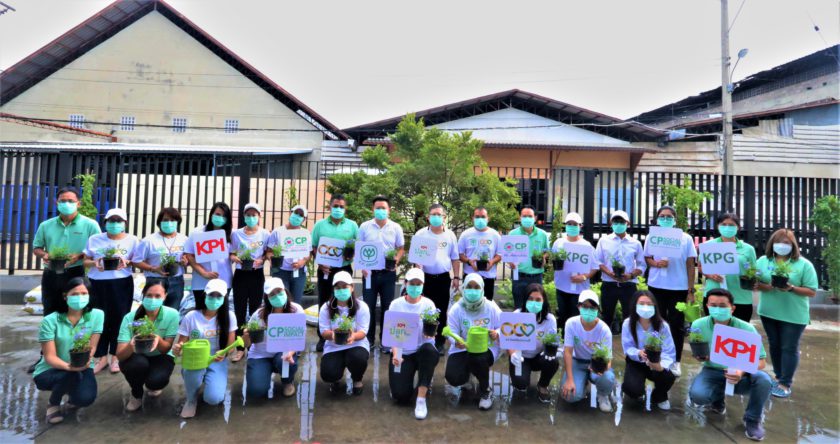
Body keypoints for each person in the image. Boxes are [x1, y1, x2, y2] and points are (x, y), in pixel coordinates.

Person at [29, 186, 100, 374]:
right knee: (50, 312)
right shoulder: (46, 225)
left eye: (70, 201)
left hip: (75, 275)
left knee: (76, 313)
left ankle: (77, 355)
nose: (66, 204)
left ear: (79, 203)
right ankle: (46, 357)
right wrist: (44, 254)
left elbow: (97, 249)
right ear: (56, 202)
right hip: (51, 274)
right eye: (62, 201)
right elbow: (36, 247)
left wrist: (79, 256)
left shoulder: (90, 225)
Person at [688, 288, 772, 441]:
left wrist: (741, 371)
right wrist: (700, 357)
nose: (717, 309)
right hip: (712, 370)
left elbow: (761, 362)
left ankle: (752, 420)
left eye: (722, 306)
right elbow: (697, 353)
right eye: (713, 305)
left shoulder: (747, 328)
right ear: (707, 306)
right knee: (698, 396)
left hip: (742, 374)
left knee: (764, 380)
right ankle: (717, 400)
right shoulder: (698, 325)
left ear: (732, 308)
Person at [755, 229, 818, 399]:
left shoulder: (803, 264)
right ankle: (778, 377)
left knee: (789, 347)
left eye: (786, 243)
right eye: (778, 242)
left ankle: (785, 383)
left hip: (793, 315)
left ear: (793, 245)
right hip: (768, 312)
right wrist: (763, 286)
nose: (782, 246)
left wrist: (791, 288)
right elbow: (756, 282)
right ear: (772, 244)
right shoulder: (763, 261)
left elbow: (812, 291)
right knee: (774, 345)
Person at [33, 277, 103, 424]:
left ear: (90, 296)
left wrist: (86, 359)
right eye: (74, 294)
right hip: (50, 370)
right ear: (65, 296)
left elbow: (92, 346)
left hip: (83, 366)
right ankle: (53, 403)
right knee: (72, 375)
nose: (80, 298)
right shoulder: (50, 320)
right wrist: (71, 367)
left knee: (85, 398)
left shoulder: (97, 315)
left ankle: (72, 397)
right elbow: (49, 357)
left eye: (84, 293)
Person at [83, 207, 139, 374]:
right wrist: (95, 263)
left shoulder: (132, 240)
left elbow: (137, 261)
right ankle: (100, 357)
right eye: (111, 221)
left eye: (118, 221)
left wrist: (127, 262)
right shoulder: (95, 239)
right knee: (99, 319)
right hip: (97, 283)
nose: (114, 224)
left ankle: (115, 356)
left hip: (121, 283)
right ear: (105, 222)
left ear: (124, 223)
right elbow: (85, 260)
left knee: (119, 319)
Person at [643, 205, 697, 377]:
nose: (665, 219)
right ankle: (657, 357)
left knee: (676, 325)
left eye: (669, 217)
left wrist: (690, 290)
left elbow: (690, 265)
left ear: (674, 220)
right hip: (656, 286)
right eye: (662, 216)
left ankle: (676, 361)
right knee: (657, 323)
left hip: (678, 288)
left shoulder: (685, 238)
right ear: (657, 219)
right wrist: (656, 264)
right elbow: (647, 257)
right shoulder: (652, 237)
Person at [173, 279, 237, 419]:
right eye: (211, 295)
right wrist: (178, 349)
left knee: (213, 399)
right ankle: (191, 399)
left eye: (219, 296)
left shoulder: (229, 316)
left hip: (216, 360)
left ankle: (210, 381)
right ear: (205, 295)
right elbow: (182, 343)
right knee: (192, 373)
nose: (214, 299)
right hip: (194, 359)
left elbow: (231, 346)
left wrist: (225, 353)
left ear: (224, 298)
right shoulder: (191, 316)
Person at [115, 280, 179, 411]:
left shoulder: (172, 314)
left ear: (165, 296)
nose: (152, 299)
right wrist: (131, 345)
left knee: (156, 381)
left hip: (160, 355)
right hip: (137, 356)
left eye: (157, 296)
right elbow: (120, 355)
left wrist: (158, 339)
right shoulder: (130, 318)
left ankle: (152, 384)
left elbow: (166, 348)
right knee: (137, 365)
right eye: (149, 295)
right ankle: (136, 393)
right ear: (143, 295)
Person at [444, 273, 502, 411]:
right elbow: (451, 331)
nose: (473, 290)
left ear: (482, 289)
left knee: (479, 359)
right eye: (469, 287)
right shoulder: (457, 309)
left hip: (486, 348)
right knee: (453, 377)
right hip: (463, 348)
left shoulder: (491, 307)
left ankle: (486, 391)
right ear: (464, 288)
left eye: (477, 287)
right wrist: (456, 341)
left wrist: (497, 333)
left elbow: (504, 326)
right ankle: (467, 376)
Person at [387, 268, 440, 419]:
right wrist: (396, 354)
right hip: (403, 352)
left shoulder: (428, 304)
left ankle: (421, 398)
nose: (415, 287)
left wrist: (430, 334)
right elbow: (393, 334)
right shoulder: (396, 305)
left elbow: (431, 333)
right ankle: (414, 380)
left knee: (429, 351)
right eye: (412, 283)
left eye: (418, 284)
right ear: (405, 284)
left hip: (423, 350)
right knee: (401, 396)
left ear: (423, 285)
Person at [358, 195, 405, 353]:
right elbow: (359, 247)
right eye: (377, 208)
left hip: (388, 274)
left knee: (387, 307)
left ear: (389, 210)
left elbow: (401, 248)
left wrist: (396, 260)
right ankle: (369, 339)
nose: (380, 210)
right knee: (368, 306)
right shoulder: (365, 227)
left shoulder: (395, 227)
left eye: (383, 208)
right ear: (372, 209)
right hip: (369, 274)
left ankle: (386, 341)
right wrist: (362, 266)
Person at [244, 277, 305, 399]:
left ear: (285, 291)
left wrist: (291, 352)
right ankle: (262, 371)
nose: (277, 296)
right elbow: (246, 344)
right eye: (272, 294)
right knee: (256, 391)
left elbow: (299, 337)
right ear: (267, 297)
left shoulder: (296, 310)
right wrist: (247, 336)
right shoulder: (258, 315)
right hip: (261, 354)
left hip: (283, 353)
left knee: (284, 361)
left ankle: (288, 381)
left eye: (279, 291)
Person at [311, 194, 358, 352]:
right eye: (335, 206)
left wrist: (351, 254)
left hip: (344, 269)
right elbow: (314, 246)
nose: (338, 209)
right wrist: (320, 261)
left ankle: (347, 333)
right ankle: (323, 337)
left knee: (346, 301)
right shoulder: (320, 225)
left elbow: (358, 245)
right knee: (324, 301)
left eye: (341, 206)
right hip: (326, 269)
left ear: (345, 208)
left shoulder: (352, 225)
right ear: (330, 207)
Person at [412, 203, 460, 353]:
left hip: (443, 278)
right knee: (425, 309)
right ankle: (424, 340)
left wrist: (456, 277)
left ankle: (439, 342)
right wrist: (418, 270)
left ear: (444, 217)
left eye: (439, 214)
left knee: (442, 310)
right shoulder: (421, 234)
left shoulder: (450, 235)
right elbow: (416, 258)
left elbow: (455, 258)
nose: (436, 217)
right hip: (425, 278)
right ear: (428, 217)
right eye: (433, 214)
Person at [560, 290, 616, 413]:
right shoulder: (571, 323)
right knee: (570, 395)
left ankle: (603, 394)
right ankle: (582, 383)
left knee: (607, 378)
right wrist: (570, 379)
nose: (588, 310)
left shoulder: (604, 330)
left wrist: (602, 370)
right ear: (578, 307)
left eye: (592, 307)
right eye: (584, 306)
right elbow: (568, 352)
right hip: (577, 360)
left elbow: (608, 359)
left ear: (598, 309)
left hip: (597, 362)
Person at [620, 290, 677, 410]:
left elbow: (669, 351)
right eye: (641, 303)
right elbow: (627, 347)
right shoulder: (628, 323)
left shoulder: (662, 325)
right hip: (637, 362)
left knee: (668, 377)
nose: (645, 307)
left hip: (657, 362)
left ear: (655, 306)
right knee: (633, 389)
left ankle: (659, 396)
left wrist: (660, 366)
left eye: (649, 304)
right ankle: (634, 389)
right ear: (635, 305)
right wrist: (638, 353)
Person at [318, 271, 371, 395]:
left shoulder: (362, 307)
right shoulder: (326, 308)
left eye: (344, 287)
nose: (341, 290)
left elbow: (363, 331)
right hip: (333, 346)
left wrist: (353, 336)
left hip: (356, 344)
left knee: (358, 358)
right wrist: (332, 335)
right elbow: (323, 331)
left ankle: (357, 379)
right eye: (338, 288)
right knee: (328, 373)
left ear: (352, 287)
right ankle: (335, 378)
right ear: (333, 289)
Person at [229, 202, 270, 362]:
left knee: (255, 311)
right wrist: (234, 258)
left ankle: (253, 346)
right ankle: (240, 348)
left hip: (256, 274)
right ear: (244, 216)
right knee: (239, 311)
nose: (251, 218)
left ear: (259, 216)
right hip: (240, 274)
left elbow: (268, 252)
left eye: (254, 215)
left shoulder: (265, 234)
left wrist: (263, 259)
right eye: (248, 215)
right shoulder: (236, 234)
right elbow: (231, 252)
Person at [594, 210, 645, 334]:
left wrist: (630, 275)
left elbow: (642, 264)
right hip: (609, 284)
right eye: (616, 221)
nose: (618, 224)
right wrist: (609, 273)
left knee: (630, 317)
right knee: (607, 317)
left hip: (629, 285)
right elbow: (597, 261)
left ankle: (629, 342)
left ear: (628, 223)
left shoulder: (636, 243)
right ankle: (604, 342)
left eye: (622, 222)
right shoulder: (603, 241)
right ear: (611, 223)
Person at [507, 283, 559, 403]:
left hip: (538, 357)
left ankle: (543, 385)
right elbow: (508, 340)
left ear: (544, 301)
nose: (534, 302)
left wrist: (552, 351)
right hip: (520, 357)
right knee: (520, 384)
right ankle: (521, 375)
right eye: (530, 299)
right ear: (525, 300)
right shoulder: (516, 315)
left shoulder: (549, 319)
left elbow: (551, 342)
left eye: (538, 299)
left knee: (552, 360)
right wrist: (512, 354)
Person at [701, 212, 757, 322]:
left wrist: (753, 280)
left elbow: (753, 271)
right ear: (718, 226)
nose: (727, 227)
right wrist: (710, 275)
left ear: (738, 227)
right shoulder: (708, 245)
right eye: (724, 224)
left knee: (738, 331)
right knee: (716, 330)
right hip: (715, 297)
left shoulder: (748, 249)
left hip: (741, 298)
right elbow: (701, 267)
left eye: (731, 225)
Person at [132, 207, 189, 311]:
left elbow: (188, 259)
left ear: (178, 222)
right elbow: (136, 261)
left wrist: (185, 262)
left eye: (172, 220)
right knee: (152, 311)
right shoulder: (149, 241)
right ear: (159, 222)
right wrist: (153, 268)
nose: (169, 223)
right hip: (155, 280)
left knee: (172, 312)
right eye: (165, 220)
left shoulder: (184, 239)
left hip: (177, 281)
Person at [551, 212, 599, 327]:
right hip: (561, 288)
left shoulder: (586, 246)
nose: (572, 226)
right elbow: (553, 261)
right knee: (563, 317)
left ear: (580, 226)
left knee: (576, 320)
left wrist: (584, 277)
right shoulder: (558, 243)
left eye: (575, 224)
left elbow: (595, 267)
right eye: (569, 224)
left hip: (579, 291)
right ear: (565, 225)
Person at [184, 202, 233, 311]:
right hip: (201, 282)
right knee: (201, 313)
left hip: (224, 281)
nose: (220, 218)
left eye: (224, 216)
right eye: (218, 214)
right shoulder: (197, 232)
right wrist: (203, 273)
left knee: (221, 314)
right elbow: (189, 255)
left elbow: (235, 253)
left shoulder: (231, 234)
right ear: (211, 214)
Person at [267, 205, 311, 305]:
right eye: (295, 213)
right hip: (280, 272)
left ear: (304, 219)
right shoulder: (277, 232)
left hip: (299, 273)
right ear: (290, 213)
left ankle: (294, 316)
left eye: (301, 215)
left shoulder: (306, 233)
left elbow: (308, 253)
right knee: (281, 302)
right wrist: (271, 259)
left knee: (295, 303)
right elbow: (269, 251)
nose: (297, 217)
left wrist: (303, 261)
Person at [507, 206, 549, 309]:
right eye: (524, 216)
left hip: (536, 276)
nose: (527, 218)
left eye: (530, 216)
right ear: (520, 217)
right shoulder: (512, 234)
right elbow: (507, 253)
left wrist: (544, 257)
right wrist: (510, 261)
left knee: (535, 308)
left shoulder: (542, 234)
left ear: (535, 218)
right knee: (519, 306)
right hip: (518, 276)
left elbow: (547, 250)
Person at [458, 206, 502, 300]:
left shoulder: (495, 235)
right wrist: (469, 262)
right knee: (469, 304)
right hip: (470, 277)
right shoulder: (466, 234)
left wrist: (492, 262)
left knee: (487, 304)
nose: (480, 219)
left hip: (488, 277)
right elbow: (460, 255)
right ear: (472, 218)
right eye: (477, 217)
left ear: (488, 218)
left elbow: (499, 255)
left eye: (483, 216)